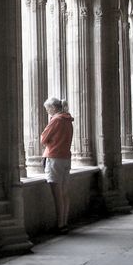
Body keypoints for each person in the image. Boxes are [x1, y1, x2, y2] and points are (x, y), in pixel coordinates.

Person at [40, 97, 74, 234]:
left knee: (57, 194)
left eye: (48, 110)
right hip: (66, 157)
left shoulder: (56, 120)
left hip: (54, 158)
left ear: (53, 108)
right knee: (65, 193)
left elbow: (43, 139)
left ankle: (60, 225)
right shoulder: (68, 120)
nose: (48, 113)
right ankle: (64, 222)